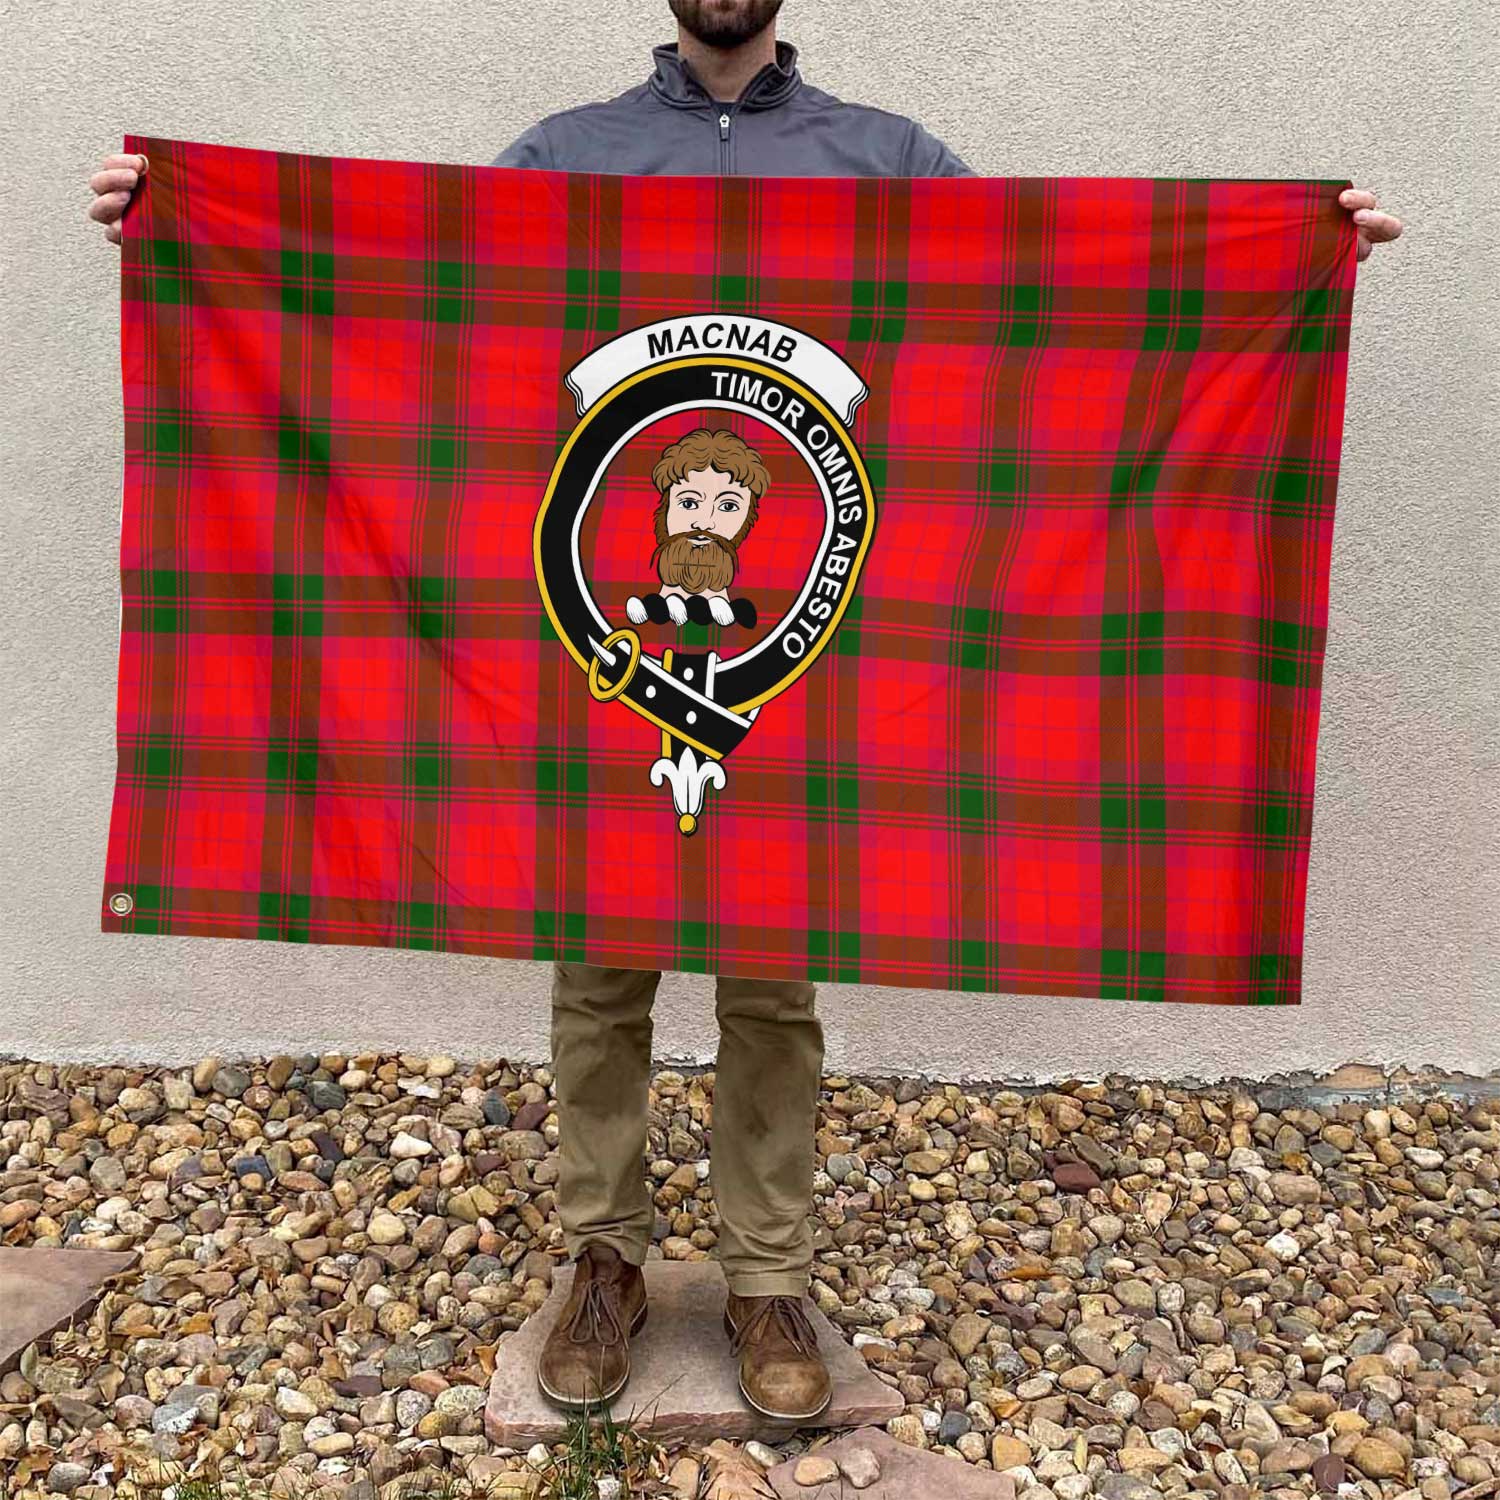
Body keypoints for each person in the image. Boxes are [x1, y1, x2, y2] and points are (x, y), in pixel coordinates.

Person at [85, 0, 1404, 1426]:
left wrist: (1294, 254)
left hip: (814, 661)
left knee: (776, 976)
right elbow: (399, 298)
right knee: (596, 967)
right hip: (590, 651)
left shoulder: (890, 162)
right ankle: (605, 1261)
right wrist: (181, 230)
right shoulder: (565, 157)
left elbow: (1060, 312)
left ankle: (768, 1273)